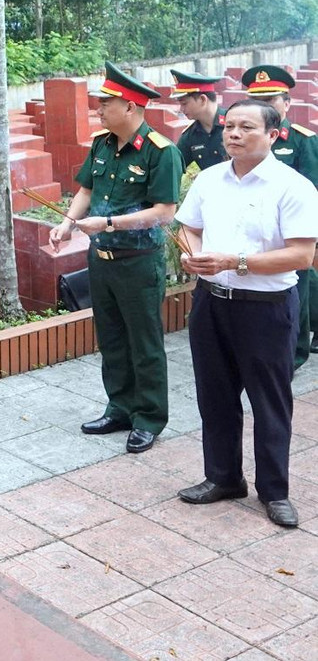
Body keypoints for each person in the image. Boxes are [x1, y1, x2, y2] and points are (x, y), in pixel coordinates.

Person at [174, 99, 318, 527]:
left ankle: (274, 491)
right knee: (214, 395)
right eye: (229, 126)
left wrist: (232, 263)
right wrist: (193, 255)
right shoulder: (211, 179)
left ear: (273, 135)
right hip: (211, 304)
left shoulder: (292, 187)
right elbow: (190, 226)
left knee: (269, 401)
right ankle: (223, 477)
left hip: (265, 310)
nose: (233, 134)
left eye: (246, 128)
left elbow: (301, 255)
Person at [49, 63, 182, 454]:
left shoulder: (161, 152)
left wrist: (108, 222)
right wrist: (67, 224)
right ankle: (120, 407)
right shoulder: (102, 144)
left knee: (144, 342)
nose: (99, 110)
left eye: (105, 104)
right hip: (101, 260)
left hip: (138, 260)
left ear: (130, 107)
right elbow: (86, 190)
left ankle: (149, 417)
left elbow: (164, 212)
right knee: (111, 338)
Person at [238, 64, 318, 371]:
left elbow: (312, 188)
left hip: (290, 232)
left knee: (296, 290)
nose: (265, 107)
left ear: (287, 103)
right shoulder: (246, 138)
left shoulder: (302, 140)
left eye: (271, 100)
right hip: (254, 228)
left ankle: (294, 356)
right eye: (258, 101)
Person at [169, 70, 226, 171]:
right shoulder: (190, 135)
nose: (181, 110)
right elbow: (174, 167)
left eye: (184, 104)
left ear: (203, 99)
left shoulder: (234, 123)